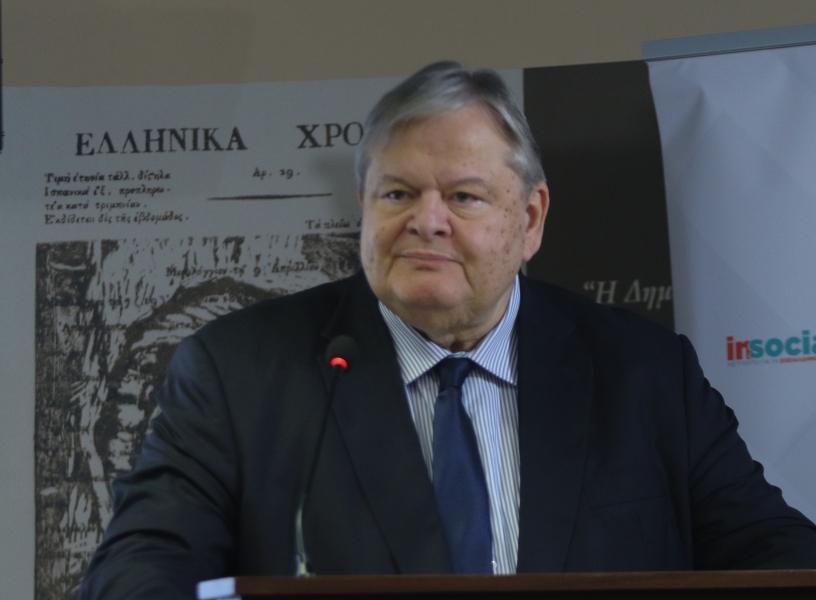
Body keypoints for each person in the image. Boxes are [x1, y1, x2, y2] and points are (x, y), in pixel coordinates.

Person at [79, 62, 816, 599]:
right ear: (364, 207)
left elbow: (775, 554)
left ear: (529, 219)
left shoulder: (643, 373)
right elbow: (140, 566)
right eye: (397, 192)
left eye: (463, 196)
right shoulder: (239, 371)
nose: (425, 220)